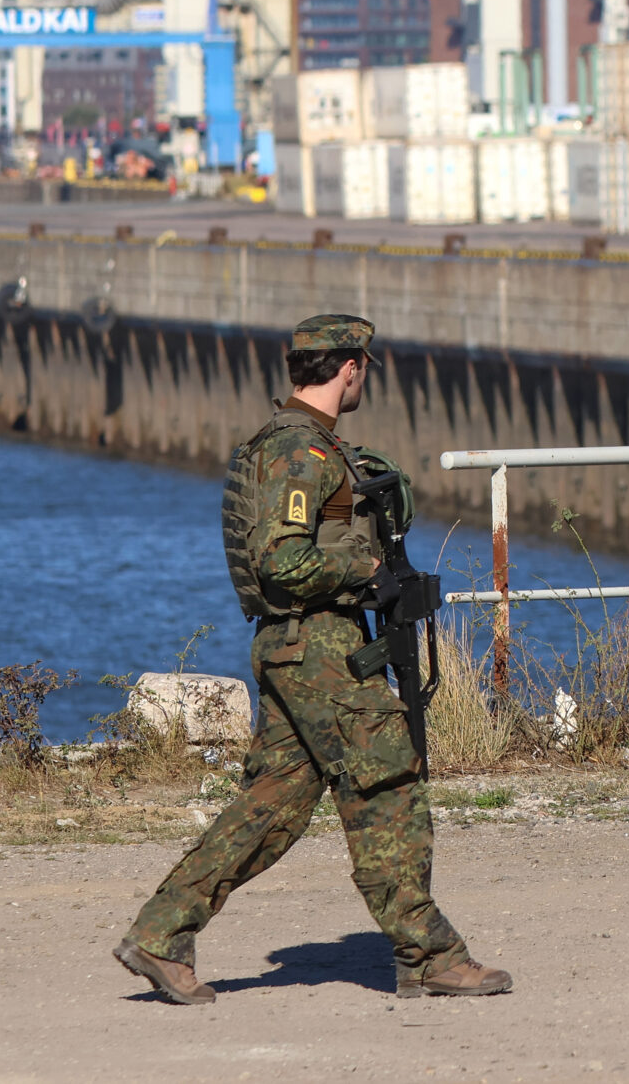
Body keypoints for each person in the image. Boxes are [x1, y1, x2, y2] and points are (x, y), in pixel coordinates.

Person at [114, 314, 512, 1004]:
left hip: (301, 644)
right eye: (365, 365)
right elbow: (281, 560)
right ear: (349, 367)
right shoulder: (302, 452)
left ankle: (160, 932)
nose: (365, 375)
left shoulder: (303, 443)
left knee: (272, 806)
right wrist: (368, 571)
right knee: (386, 781)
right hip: (319, 644)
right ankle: (429, 951)